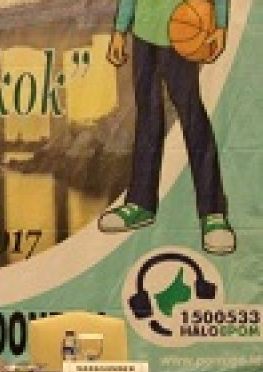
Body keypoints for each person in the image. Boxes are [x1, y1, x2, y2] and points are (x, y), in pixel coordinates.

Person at [97, 0, 234, 255]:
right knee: (147, 118)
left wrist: (221, 24)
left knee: (193, 119)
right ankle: (141, 203)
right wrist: (120, 30)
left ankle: (213, 212)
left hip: (183, 30)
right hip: (143, 34)